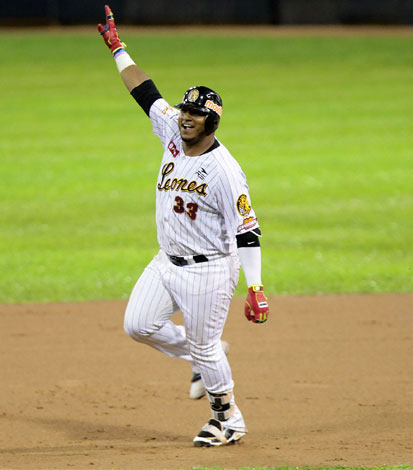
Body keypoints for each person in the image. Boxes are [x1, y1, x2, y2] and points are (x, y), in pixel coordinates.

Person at [97, 5, 269, 447]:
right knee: (138, 324)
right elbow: (144, 91)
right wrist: (118, 48)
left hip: (209, 269)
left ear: (212, 123)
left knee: (207, 346)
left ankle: (227, 418)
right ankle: (199, 356)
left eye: (195, 114)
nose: (186, 117)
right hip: (165, 261)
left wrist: (255, 287)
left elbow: (248, 230)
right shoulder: (172, 131)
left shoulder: (225, 172)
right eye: (185, 110)